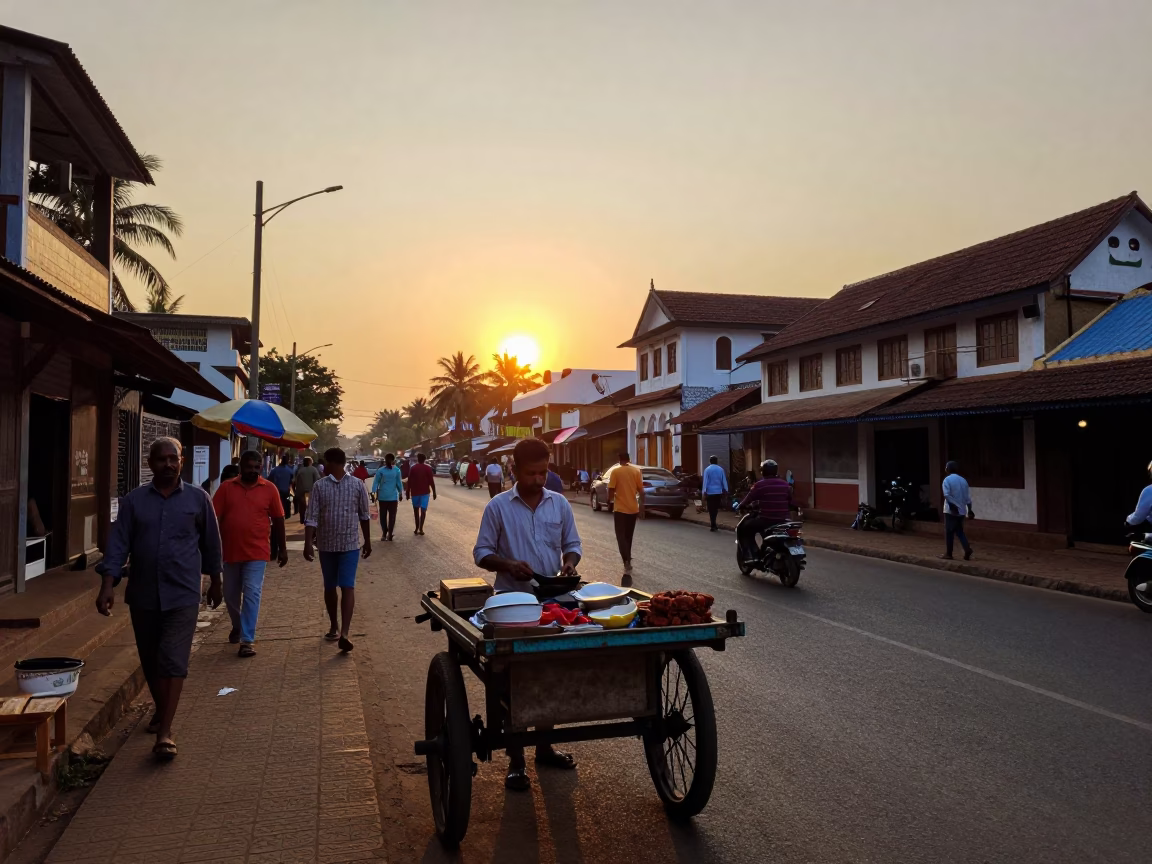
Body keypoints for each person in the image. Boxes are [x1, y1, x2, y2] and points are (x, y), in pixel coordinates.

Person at [95, 437, 222, 760]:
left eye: (173, 459)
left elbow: (211, 543)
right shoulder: (134, 502)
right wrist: (107, 585)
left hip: (183, 594)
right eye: (161, 459)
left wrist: (216, 580)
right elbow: (118, 545)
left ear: (182, 461)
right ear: (150, 463)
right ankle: (161, 709)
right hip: (143, 594)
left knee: (173, 660)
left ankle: (165, 732)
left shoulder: (198, 499)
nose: (168, 464)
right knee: (151, 660)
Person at [473, 436, 581, 791]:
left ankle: (545, 747)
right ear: (515, 470)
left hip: (555, 601)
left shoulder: (560, 504)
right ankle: (516, 760)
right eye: (532, 473)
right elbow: (482, 553)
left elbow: (573, 546)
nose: (539, 479)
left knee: (550, 677)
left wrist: (568, 564)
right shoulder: (498, 507)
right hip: (512, 604)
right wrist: (507, 563)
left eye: (544, 471)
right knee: (515, 683)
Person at [213, 450, 288, 657]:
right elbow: (212, 517)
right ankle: (238, 625)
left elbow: (279, 519)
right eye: (249, 467)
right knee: (230, 595)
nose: (253, 471)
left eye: (257, 467)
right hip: (230, 552)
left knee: (252, 593)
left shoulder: (269, 489)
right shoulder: (227, 488)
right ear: (240, 468)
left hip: (258, 551)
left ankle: (247, 640)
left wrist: (282, 549)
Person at [303, 448, 372, 652]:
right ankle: (334, 625)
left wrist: (367, 541)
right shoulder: (319, 487)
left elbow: (364, 515)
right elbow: (312, 516)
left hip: (350, 545)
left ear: (334, 463)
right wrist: (308, 542)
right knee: (330, 586)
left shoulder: (357, 485)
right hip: (326, 545)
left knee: (347, 586)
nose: (323, 467)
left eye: (326, 463)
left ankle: (345, 632)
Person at [735, 459, 794, 562]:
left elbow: (748, 499)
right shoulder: (786, 485)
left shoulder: (759, 485)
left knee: (744, 528)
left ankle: (752, 554)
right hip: (784, 520)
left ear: (763, 471)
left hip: (767, 519)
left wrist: (740, 506)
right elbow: (790, 502)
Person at [607, 451, 645, 586]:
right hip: (633, 508)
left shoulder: (616, 472)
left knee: (620, 536)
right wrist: (642, 507)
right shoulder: (636, 471)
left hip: (620, 509)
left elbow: (611, 489)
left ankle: (626, 560)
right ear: (629, 459)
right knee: (629, 536)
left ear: (619, 460)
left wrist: (610, 501)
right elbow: (641, 491)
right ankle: (628, 557)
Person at [941, 460, 974, 561]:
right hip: (962, 511)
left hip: (951, 511)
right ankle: (967, 548)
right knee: (959, 531)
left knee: (949, 532)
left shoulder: (947, 480)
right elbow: (968, 498)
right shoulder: (963, 480)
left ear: (948, 469)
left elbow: (946, 494)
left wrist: (952, 505)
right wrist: (970, 510)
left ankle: (949, 553)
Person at [267, 455, 295, 559]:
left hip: (277, 496)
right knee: (281, 519)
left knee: (276, 523)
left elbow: (269, 481)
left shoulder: (275, 470)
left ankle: (275, 550)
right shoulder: (289, 470)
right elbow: (292, 483)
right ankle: (278, 548)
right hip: (285, 496)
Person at [372, 452, 404, 540]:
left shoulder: (380, 470)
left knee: (383, 516)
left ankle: (384, 534)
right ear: (394, 460)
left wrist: (373, 493)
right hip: (393, 497)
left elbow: (376, 483)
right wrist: (400, 493)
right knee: (392, 516)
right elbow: (399, 483)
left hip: (382, 497)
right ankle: (390, 534)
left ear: (385, 460)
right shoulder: (397, 470)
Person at [407, 453, 437, 535]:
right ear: (425, 459)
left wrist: (407, 492)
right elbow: (431, 481)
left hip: (415, 493)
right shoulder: (428, 468)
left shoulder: (413, 468)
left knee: (416, 511)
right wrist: (434, 492)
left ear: (417, 459)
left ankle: (416, 528)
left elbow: (409, 481)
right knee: (423, 511)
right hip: (425, 493)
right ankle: (421, 528)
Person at [702, 455, 729, 531]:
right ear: (716, 461)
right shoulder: (720, 469)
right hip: (718, 492)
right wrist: (726, 489)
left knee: (711, 509)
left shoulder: (707, 470)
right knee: (716, 509)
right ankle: (714, 524)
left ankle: (712, 524)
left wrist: (704, 491)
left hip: (710, 492)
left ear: (710, 461)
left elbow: (705, 482)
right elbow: (724, 480)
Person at [293, 456, 321, 525]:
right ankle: (310, 520)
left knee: (302, 507)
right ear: (309, 462)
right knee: (312, 507)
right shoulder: (314, 469)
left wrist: (296, 492)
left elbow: (295, 482)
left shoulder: (300, 470)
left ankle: (302, 519)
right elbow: (317, 480)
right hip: (311, 491)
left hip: (301, 492)